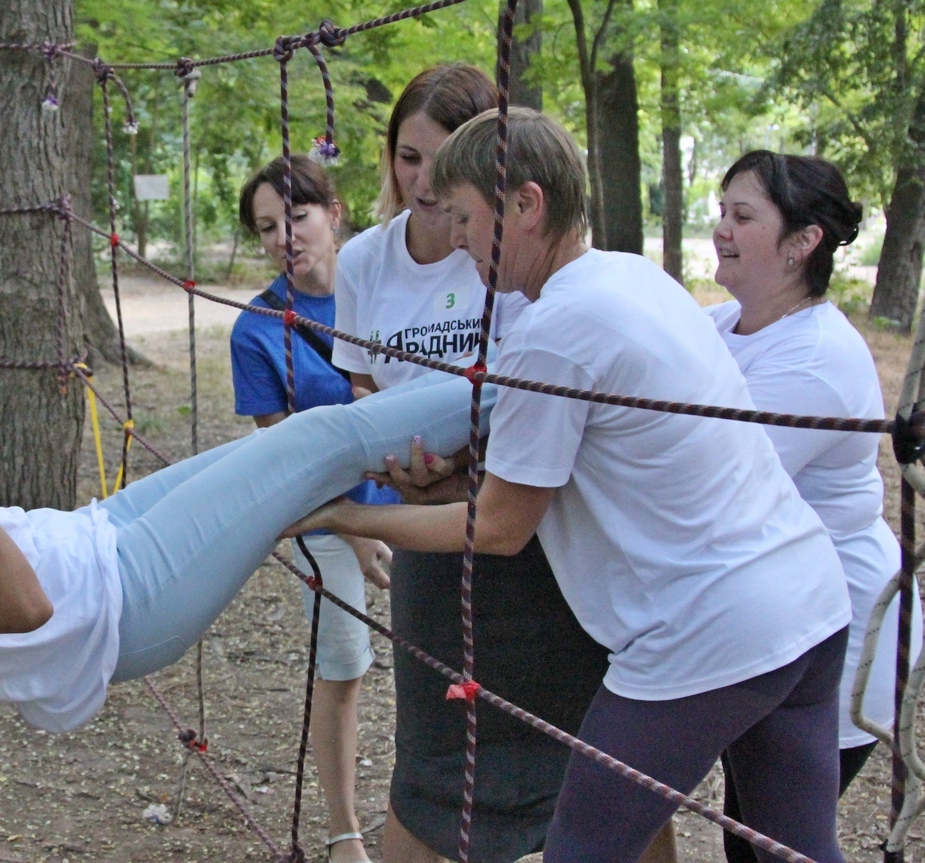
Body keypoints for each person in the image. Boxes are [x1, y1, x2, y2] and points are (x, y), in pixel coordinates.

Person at [288, 108, 852, 863]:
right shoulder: (631, 277)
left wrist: (349, 515)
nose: (454, 238)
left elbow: (497, 528)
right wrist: (455, 478)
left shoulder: (553, 331)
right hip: (808, 604)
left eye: (464, 216)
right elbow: (572, 467)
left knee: (582, 849)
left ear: (526, 204)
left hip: (703, 633)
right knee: (798, 852)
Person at [0, 337, 501, 734]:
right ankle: (516, 380)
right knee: (324, 438)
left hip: (91, 537)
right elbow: (16, 603)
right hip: (114, 603)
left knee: (302, 445)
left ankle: (487, 407)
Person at [334, 63, 608, 863]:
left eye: (440, 160)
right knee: (435, 746)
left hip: (541, 529)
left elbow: (556, 395)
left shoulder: (511, 249)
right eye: (407, 156)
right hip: (434, 524)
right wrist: (397, 472)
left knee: (585, 748)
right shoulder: (364, 262)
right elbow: (364, 395)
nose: (421, 180)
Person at [705, 150, 921, 862]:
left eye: (743, 216)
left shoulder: (819, 356)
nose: (720, 229)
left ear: (802, 243)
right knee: (752, 833)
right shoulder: (725, 326)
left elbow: (712, 483)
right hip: (772, 618)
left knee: (778, 843)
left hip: (841, 623)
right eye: (722, 211)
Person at [228, 154, 396, 863]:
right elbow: (286, 458)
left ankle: (437, 807)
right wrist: (354, 530)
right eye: (267, 226)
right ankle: (344, 828)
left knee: (443, 661)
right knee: (343, 662)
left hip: (419, 496)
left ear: (334, 213)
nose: (284, 236)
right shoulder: (256, 330)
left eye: (296, 215)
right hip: (323, 515)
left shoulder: (388, 290)